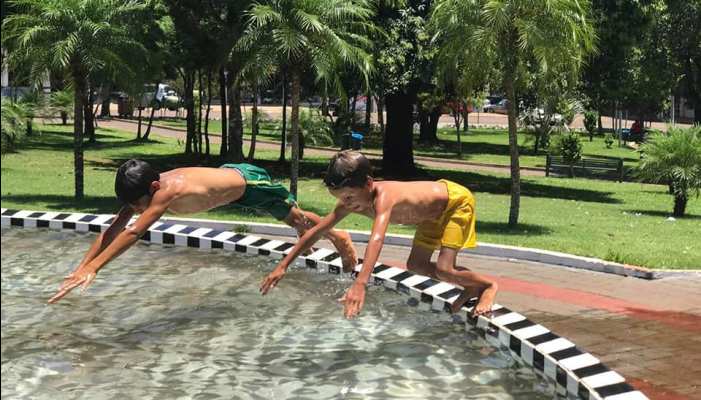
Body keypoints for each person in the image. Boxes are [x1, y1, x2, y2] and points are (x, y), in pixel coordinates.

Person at [48, 159, 357, 304]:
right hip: (232, 180)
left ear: (153, 188)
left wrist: (96, 269)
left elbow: (132, 234)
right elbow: (115, 227)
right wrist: (81, 269)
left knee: (298, 219)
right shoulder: (145, 189)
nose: (138, 211)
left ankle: (339, 237)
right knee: (295, 221)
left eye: (139, 206)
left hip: (249, 185)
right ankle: (327, 235)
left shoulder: (163, 194)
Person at [260, 150, 497, 318]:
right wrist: (284, 264)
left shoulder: (385, 197)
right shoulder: (350, 203)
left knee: (445, 268)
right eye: (341, 199)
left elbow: (377, 238)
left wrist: (360, 283)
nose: (347, 204)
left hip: (455, 203)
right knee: (416, 265)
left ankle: (488, 286)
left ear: (369, 183)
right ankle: (470, 285)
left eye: (350, 197)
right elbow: (316, 231)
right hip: (430, 217)